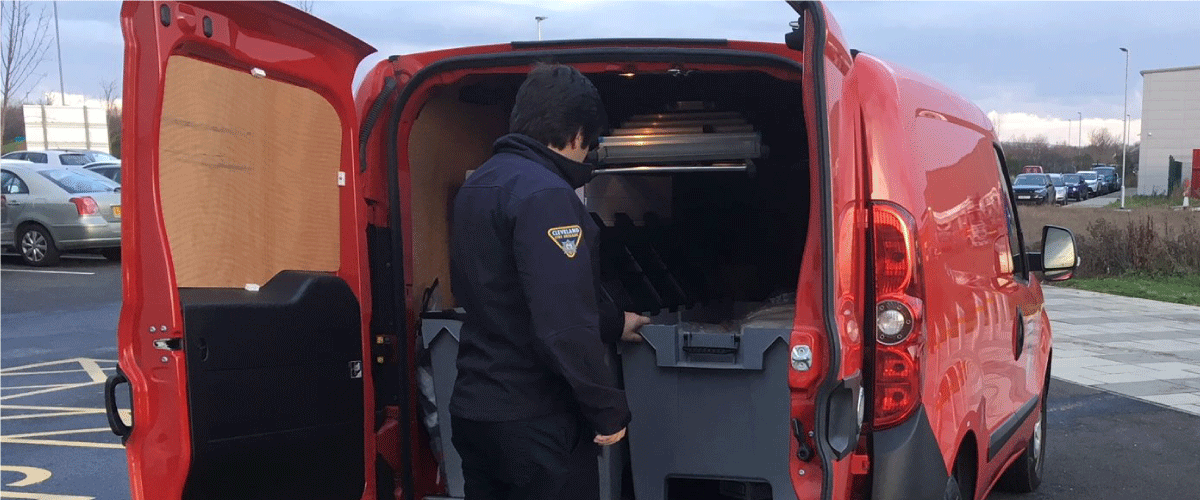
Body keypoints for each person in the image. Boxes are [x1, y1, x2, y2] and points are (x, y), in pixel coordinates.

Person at [448, 63, 651, 500]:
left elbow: (514, 291)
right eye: (589, 142)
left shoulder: (480, 183)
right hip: (535, 421)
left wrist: (616, 323)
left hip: (476, 410)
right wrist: (608, 410)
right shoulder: (547, 194)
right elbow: (562, 320)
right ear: (577, 134)